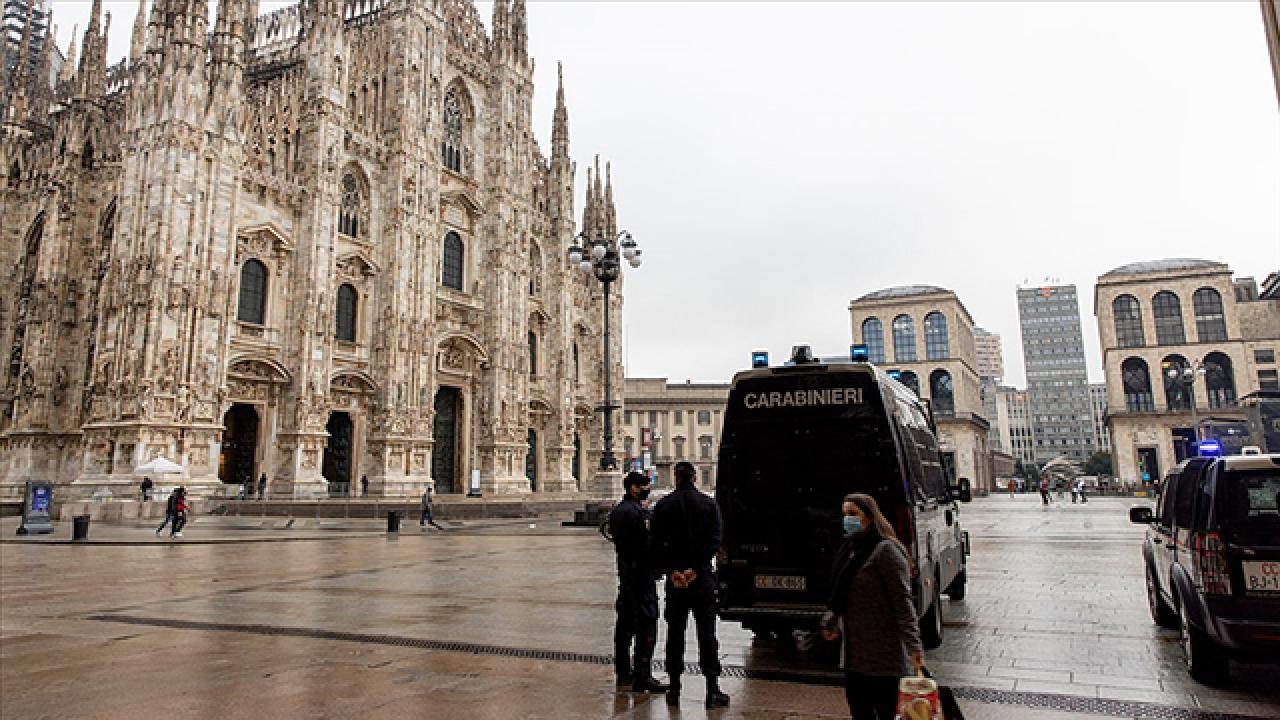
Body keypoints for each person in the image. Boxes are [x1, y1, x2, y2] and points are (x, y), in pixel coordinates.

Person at [821, 493, 925, 720]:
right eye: (845, 514)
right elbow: (840, 594)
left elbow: (902, 603)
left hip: (884, 658)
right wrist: (832, 621)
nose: (847, 519)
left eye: (853, 514)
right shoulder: (850, 549)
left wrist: (914, 647)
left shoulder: (886, 550)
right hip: (854, 658)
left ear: (869, 516)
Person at [649, 461, 729, 709]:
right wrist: (695, 569)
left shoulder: (663, 506)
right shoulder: (709, 504)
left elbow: (656, 542)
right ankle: (712, 689)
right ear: (694, 477)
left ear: (676, 477)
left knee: (675, 634)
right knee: (707, 634)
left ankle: (674, 687)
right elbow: (715, 539)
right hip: (701, 579)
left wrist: (672, 570)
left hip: (676, 582)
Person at [607, 471, 669, 694]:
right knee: (646, 625)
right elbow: (644, 545)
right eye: (644, 486)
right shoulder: (635, 513)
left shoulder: (619, 511)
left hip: (627, 577)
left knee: (624, 628)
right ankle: (643, 675)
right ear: (633, 487)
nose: (646, 490)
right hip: (640, 577)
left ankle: (624, 673)